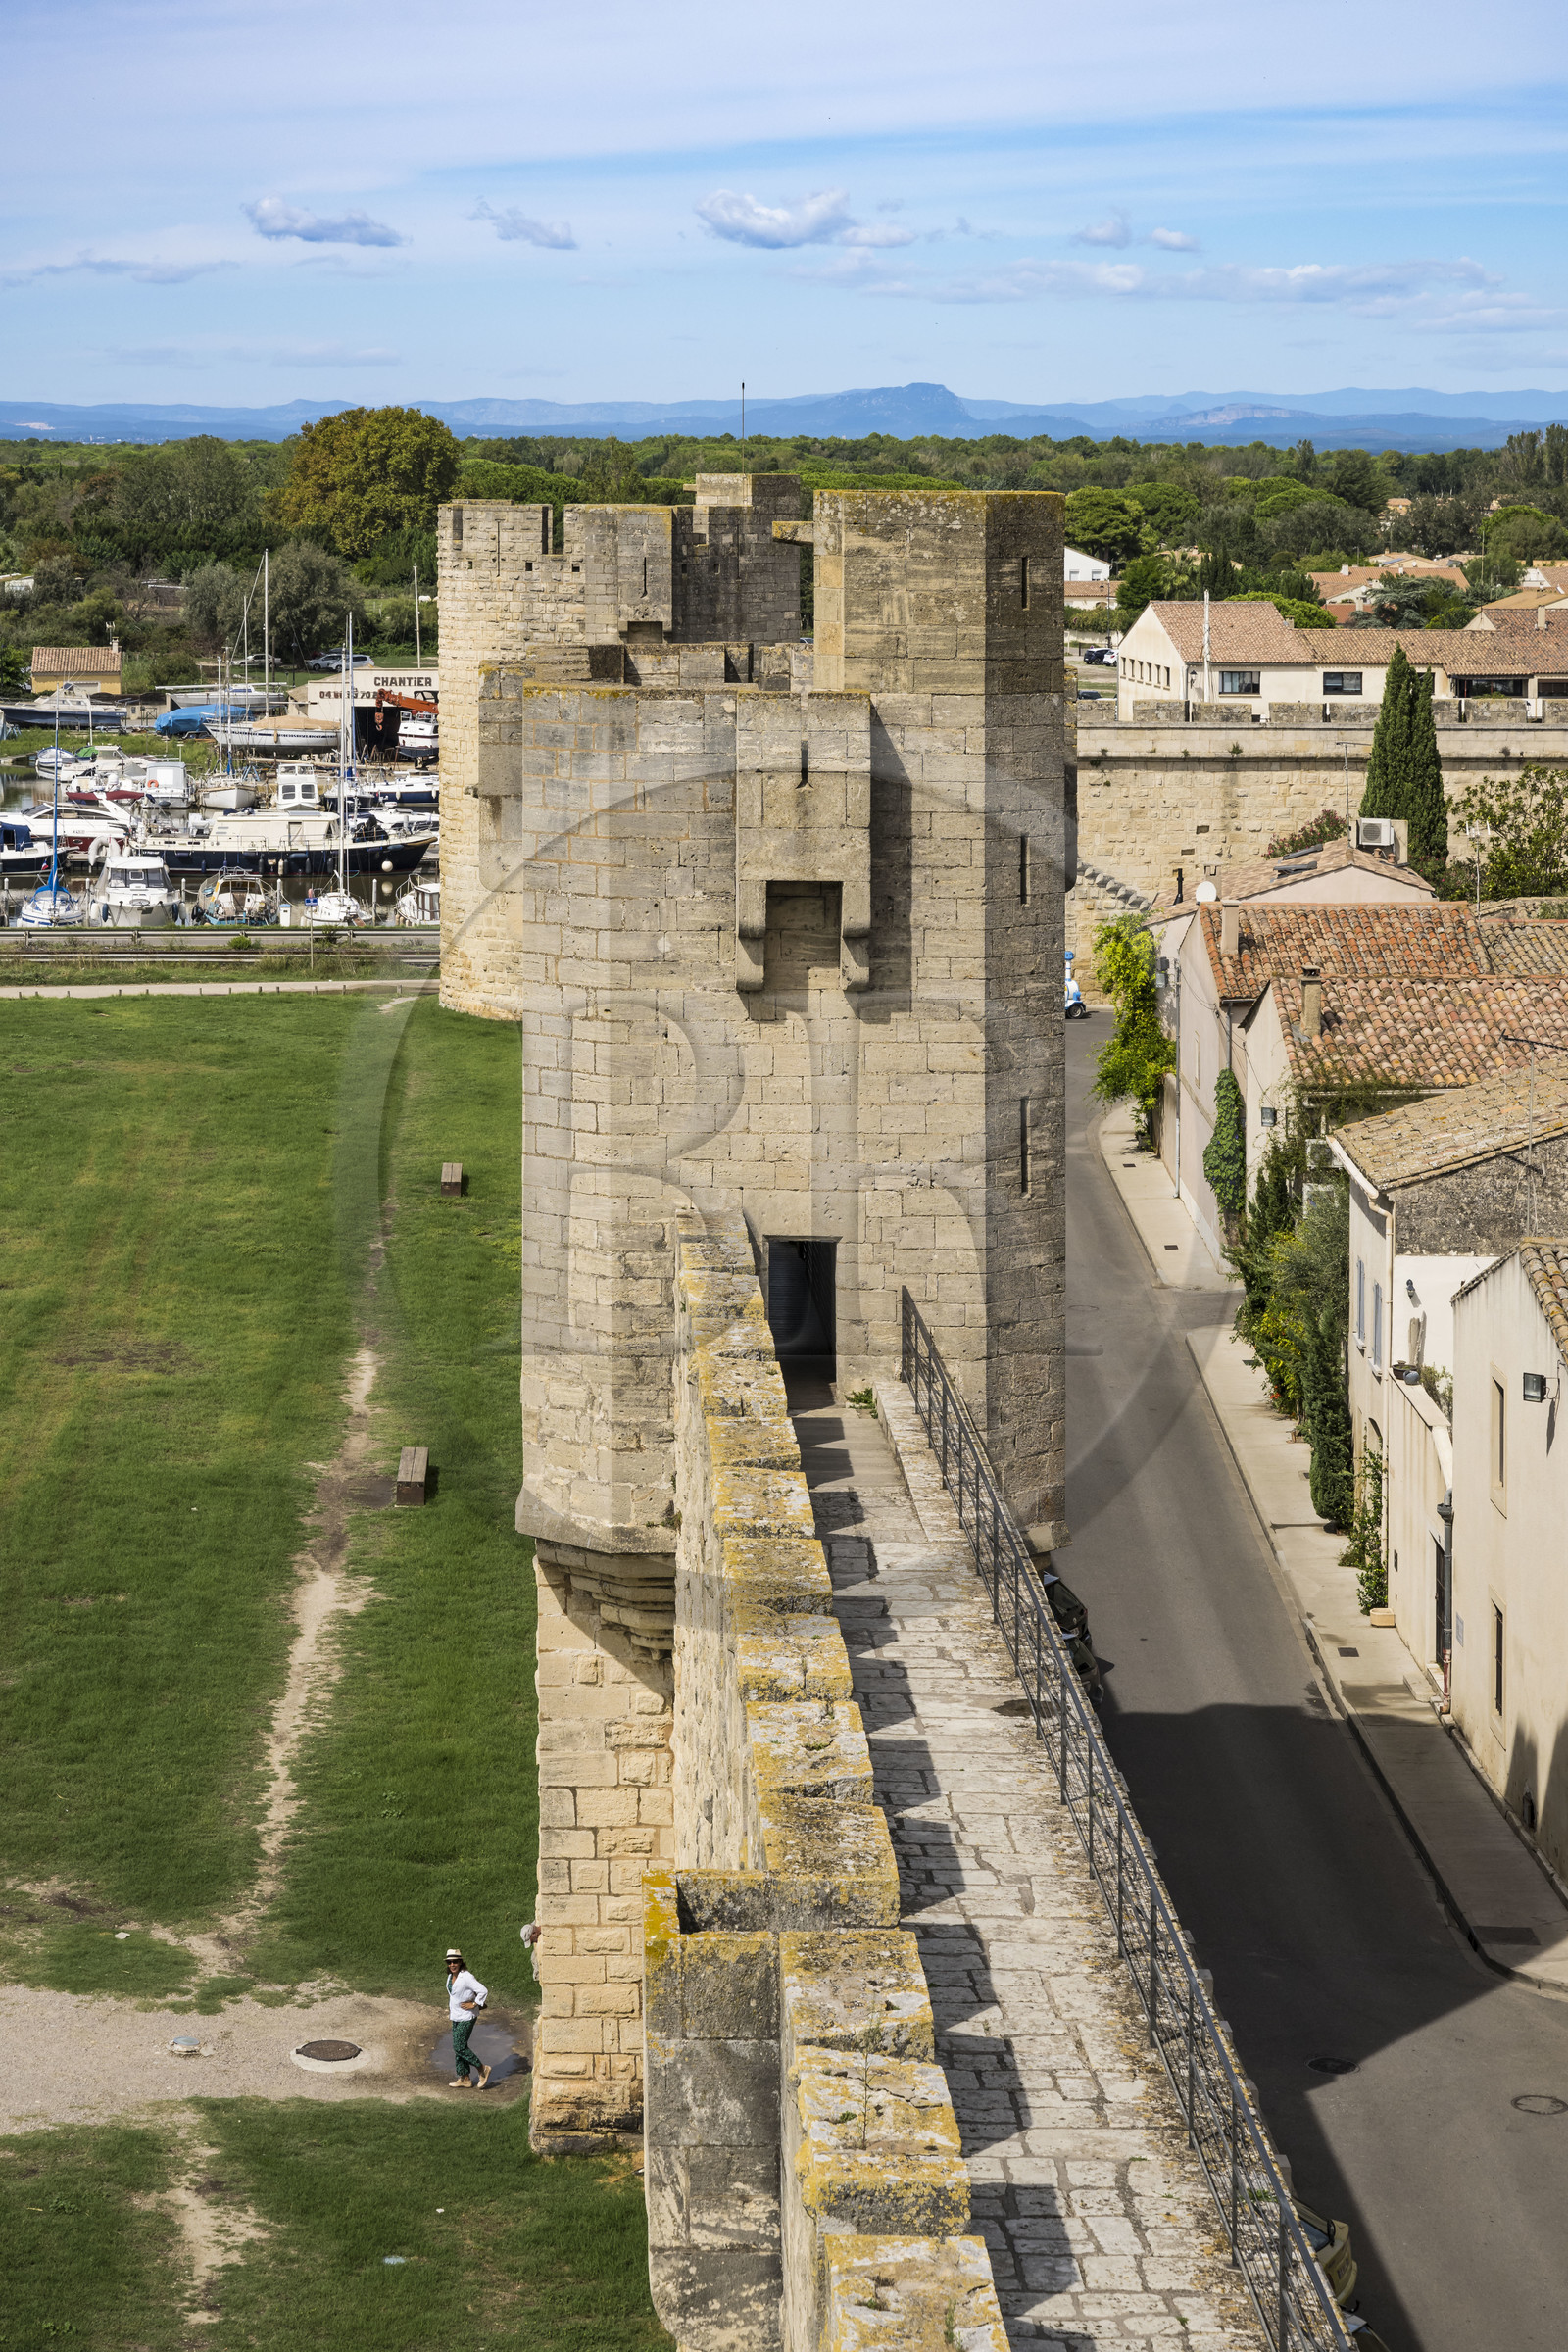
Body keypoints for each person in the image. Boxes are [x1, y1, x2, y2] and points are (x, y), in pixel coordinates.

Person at [445, 1947, 490, 2089]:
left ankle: (482, 2068)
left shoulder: (466, 1976)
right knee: (459, 2047)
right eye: (449, 1962)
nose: (452, 1965)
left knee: (458, 2046)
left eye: (455, 1962)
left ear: (460, 1962)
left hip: (467, 2016)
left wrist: (475, 2004)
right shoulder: (450, 1977)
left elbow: (483, 1990)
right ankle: (464, 2078)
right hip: (456, 2016)